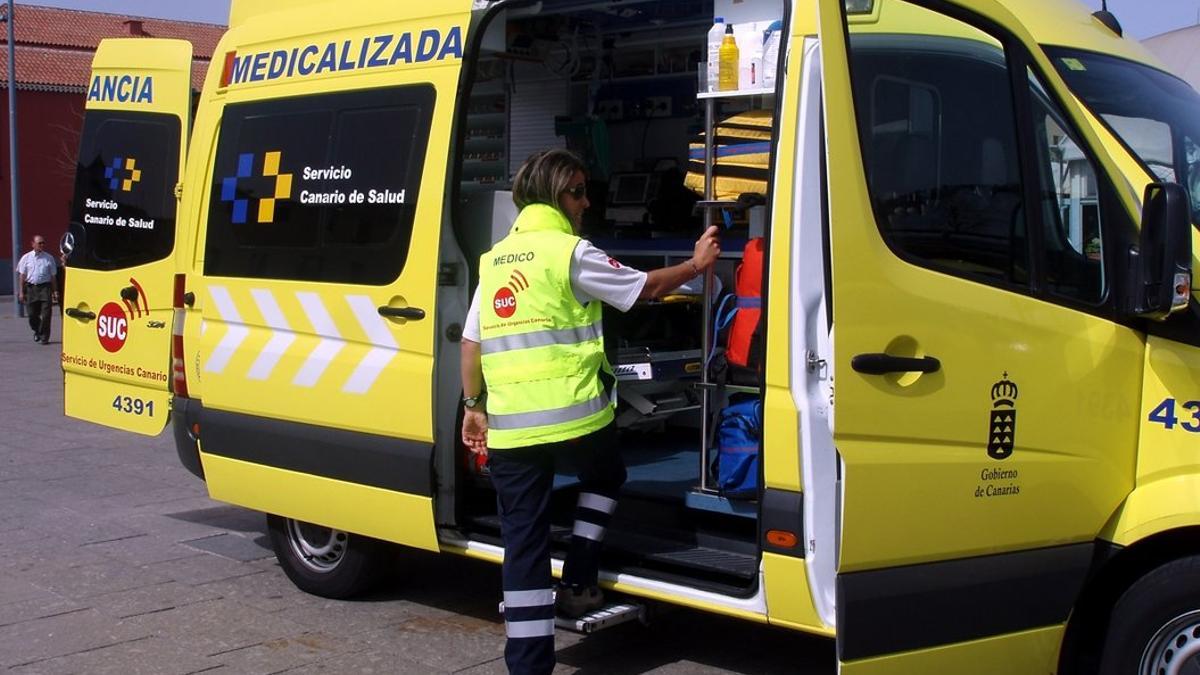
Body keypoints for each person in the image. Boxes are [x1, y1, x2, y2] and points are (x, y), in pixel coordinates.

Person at [459, 149, 720, 675]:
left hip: (510, 428)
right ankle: (579, 575)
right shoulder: (570, 253)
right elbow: (643, 288)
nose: (587, 200)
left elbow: (471, 344)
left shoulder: (495, 261)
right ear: (555, 195)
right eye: (577, 191)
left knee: (523, 544)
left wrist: (472, 408)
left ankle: (528, 666)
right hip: (575, 418)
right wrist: (696, 264)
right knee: (607, 474)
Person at [16, 235, 58, 344]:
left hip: (45, 288)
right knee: (31, 314)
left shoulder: (49, 258)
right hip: (31, 288)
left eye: (43, 243)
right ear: (33, 244)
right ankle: (37, 330)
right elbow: (22, 276)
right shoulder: (26, 258)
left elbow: (53, 277)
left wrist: (55, 291)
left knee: (46, 314)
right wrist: (21, 292)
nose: (42, 245)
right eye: (39, 243)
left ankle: (44, 337)